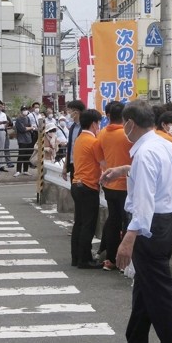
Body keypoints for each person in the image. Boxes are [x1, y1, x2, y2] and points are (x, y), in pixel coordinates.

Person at [100, 102, 172, 343]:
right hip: (165, 222)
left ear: (130, 123)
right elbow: (154, 176)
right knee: (145, 292)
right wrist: (122, 170)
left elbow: (145, 201)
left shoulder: (147, 151)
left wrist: (129, 237)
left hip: (150, 227)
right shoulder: (161, 144)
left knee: (160, 297)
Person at [96, 101, 133, 271]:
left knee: (113, 221)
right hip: (127, 185)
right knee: (128, 222)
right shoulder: (128, 135)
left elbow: (100, 159)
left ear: (108, 115)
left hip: (109, 184)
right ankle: (124, 260)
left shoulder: (102, 134)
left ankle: (110, 258)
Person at [70, 109, 104, 269]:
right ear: (93, 124)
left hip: (76, 184)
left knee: (79, 223)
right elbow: (103, 164)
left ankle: (76, 257)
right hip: (89, 186)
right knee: (88, 225)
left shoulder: (80, 139)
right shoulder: (93, 142)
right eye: (98, 123)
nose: (99, 126)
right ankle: (85, 259)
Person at [61, 100, 87, 182]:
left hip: (83, 165)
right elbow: (70, 147)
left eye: (69, 111)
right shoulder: (72, 127)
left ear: (76, 112)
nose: (68, 113)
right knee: (74, 191)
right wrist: (65, 167)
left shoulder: (85, 127)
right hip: (73, 164)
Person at [13, 106, 33, 176]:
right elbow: (22, 129)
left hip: (29, 139)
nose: (25, 111)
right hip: (22, 140)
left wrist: (29, 128)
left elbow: (30, 127)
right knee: (21, 155)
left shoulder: (27, 118)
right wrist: (30, 128)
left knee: (27, 155)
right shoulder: (18, 119)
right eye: (24, 110)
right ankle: (18, 170)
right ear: (21, 111)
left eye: (26, 109)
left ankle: (25, 170)